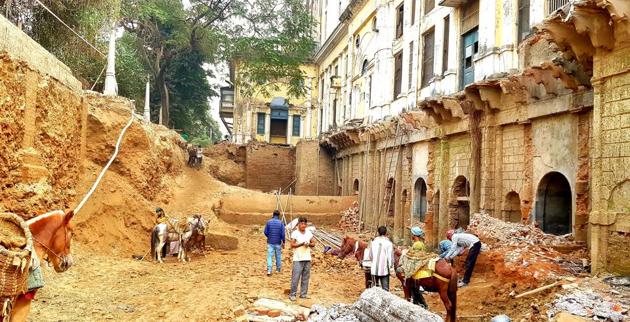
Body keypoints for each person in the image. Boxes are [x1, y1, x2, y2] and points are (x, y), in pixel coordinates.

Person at [289, 216, 315, 301]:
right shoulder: (295, 233)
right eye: (301, 223)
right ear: (298, 224)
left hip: (307, 258)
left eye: (305, 224)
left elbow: (313, 243)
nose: (303, 225)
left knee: (305, 277)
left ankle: (303, 294)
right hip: (298, 259)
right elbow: (292, 245)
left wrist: (308, 244)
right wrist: (301, 244)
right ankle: (292, 294)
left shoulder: (308, 233)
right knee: (295, 277)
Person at [367, 226, 394, 291]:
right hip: (384, 270)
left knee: (374, 289)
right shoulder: (389, 244)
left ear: (378, 233)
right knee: (385, 289)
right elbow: (390, 258)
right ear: (386, 233)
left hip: (374, 270)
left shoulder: (373, 243)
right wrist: (391, 268)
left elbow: (370, 256)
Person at [409, 226, 429, 308]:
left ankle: (422, 304)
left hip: (417, 267)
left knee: (413, 286)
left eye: (412, 234)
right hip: (420, 266)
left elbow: (415, 257)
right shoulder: (421, 243)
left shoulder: (417, 244)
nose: (411, 235)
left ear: (414, 235)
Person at [264, 210, 285, 276]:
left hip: (270, 242)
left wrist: (269, 236)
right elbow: (283, 234)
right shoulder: (281, 223)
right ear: (278, 216)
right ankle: (278, 269)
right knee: (278, 256)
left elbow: (265, 232)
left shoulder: (268, 222)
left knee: (269, 256)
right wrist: (283, 242)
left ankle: (269, 270)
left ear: (273, 215)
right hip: (278, 242)